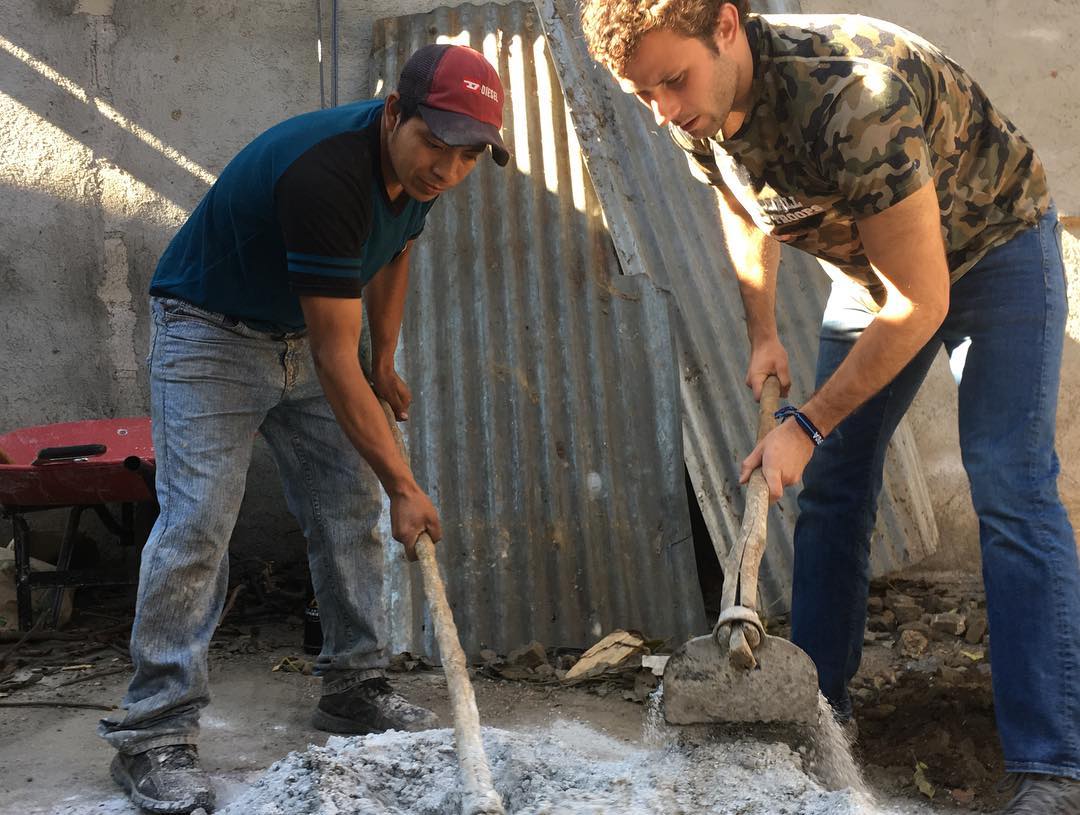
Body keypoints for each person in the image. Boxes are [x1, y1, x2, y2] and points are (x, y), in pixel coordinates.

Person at [579, 1, 1080, 811]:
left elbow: (921, 302)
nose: (665, 109)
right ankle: (816, 714)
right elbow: (743, 207)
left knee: (1010, 484)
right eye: (646, 94)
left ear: (729, 27)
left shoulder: (854, 97)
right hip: (876, 271)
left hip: (993, 252)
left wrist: (806, 422)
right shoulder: (690, 105)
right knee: (836, 487)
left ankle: (1051, 762)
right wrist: (763, 332)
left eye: (673, 81)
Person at [98, 43, 509, 814]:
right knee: (197, 525)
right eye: (437, 146)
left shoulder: (423, 168)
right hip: (210, 333)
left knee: (345, 511)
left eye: (468, 157)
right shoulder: (327, 173)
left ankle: (353, 687)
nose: (449, 171)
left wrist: (384, 355)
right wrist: (406, 485)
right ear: (395, 113)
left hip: (302, 334)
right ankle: (154, 730)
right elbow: (330, 357)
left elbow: (395, 249)